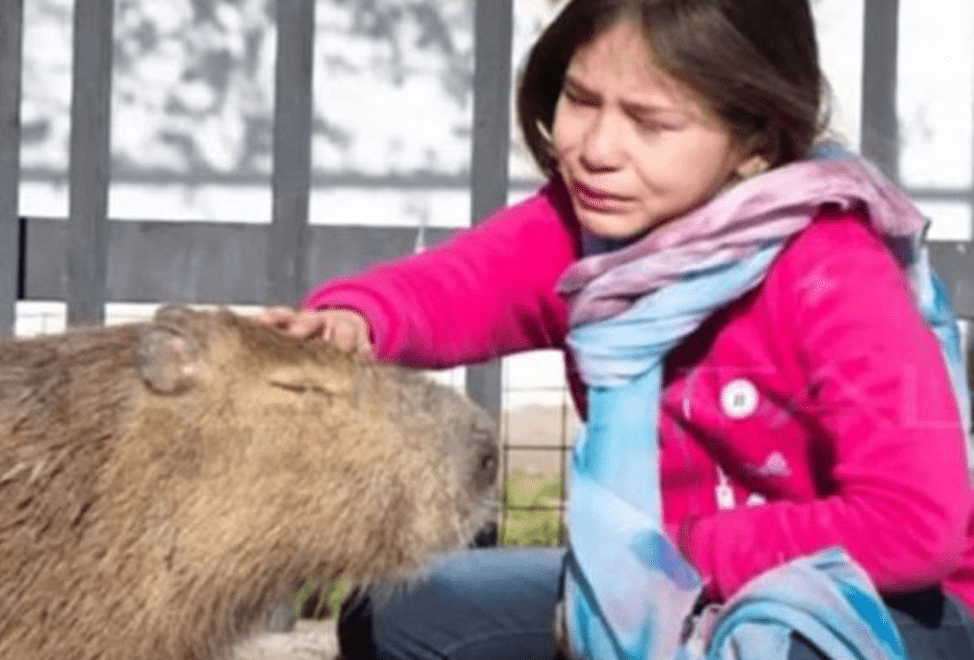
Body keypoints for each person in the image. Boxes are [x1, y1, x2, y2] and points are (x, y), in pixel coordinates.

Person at [258, 0, 974, 658]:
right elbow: (460, 287)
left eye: (650, 121)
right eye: (579, 100)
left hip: (885, 604)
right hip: (662, 579)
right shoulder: (587, 235)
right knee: (404, 616)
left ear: (756, 142)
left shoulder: (835, 272)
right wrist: (355, 321)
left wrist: (686, 548)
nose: (596, 148)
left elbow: (915, 524)